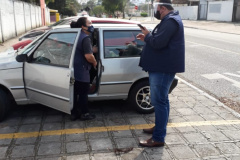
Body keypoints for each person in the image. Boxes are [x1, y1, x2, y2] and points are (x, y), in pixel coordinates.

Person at [136, 0, 185, 147]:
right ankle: (159, 128)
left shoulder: (171, 21)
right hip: (162, 67)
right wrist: (149, 35)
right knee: (163, 100)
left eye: (157, 9)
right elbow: (160, 40)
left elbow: (158, 43)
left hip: (162, 69)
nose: (156, 12)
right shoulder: (170, 20)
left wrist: (147, 37)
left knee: (159, 102)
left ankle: (158, 138)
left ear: (163, 8)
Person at [70, 17, 98, 121]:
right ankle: (85, 113)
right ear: (83, 26)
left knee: (74, 92)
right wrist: (95, 62)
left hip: (74, 69)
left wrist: (91, 49)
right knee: (83, 93)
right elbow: (88, 56)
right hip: (82, 71)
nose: (91, 25)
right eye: (89, 23)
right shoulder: (85, 38)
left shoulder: (76, 35)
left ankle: (74, 113)